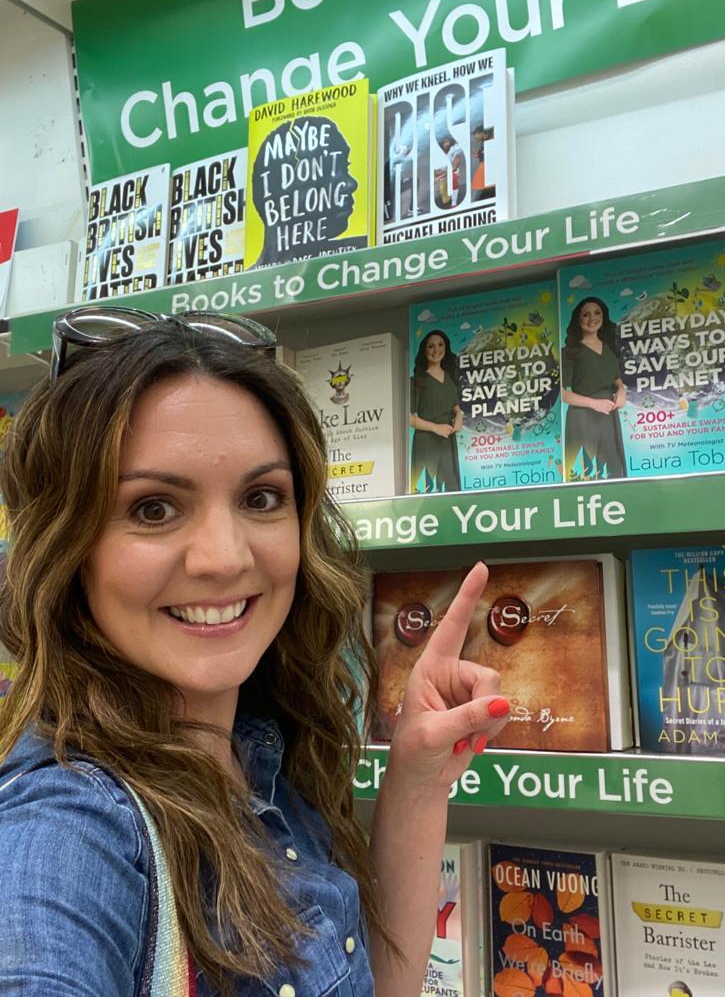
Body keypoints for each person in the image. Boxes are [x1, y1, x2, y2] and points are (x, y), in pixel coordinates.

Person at [0, 307, 510, 997]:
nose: (224, 557)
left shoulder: (258, 752)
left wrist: (418, 778)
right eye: (153, 508)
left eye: (261, 497)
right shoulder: (73, 827)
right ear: (69, 549)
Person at [249, 115, 365, 269]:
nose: (351, 184)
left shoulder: (362, 255)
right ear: (284, 188)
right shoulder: (239, 287)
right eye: (328, 170)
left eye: (345, 167)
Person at [561, 296, 628, 480]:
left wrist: (621, 391)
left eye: (597, 313)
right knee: (585, 473)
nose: (592, 318)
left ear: (604, 316)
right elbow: (562, 394)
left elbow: (616, 380)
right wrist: (593, 403)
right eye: (586, 314)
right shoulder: (569, 352)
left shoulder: (609, 347)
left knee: (613, 470)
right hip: (582, 417)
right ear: (578, 319)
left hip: (608, 417)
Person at [409, 329, 463, 493]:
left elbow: (455, 406)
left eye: (440, 345)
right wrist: (436, 427)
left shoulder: (450, 378)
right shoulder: (417, 380)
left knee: (451, 489)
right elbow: (409, 418)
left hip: (447, 442)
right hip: (426, 443)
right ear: (424, 350)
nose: (436, 350)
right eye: (431, 346)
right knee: (426, 491)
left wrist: (459, 416)